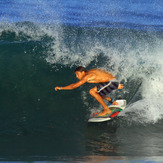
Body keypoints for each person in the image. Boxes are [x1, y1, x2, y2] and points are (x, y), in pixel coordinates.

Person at [55, 66, 124, 117]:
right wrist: (115, 83)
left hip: (111, 82)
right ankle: (112, 102)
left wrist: (61, 88)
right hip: (112, 82)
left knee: (92, 92)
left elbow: (73, 86)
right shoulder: (92, 71)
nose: (76, 76)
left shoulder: (87, 76)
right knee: (96, 92)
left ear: (83, 72)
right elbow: (104, 73)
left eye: (77, 74)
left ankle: (106, 109)